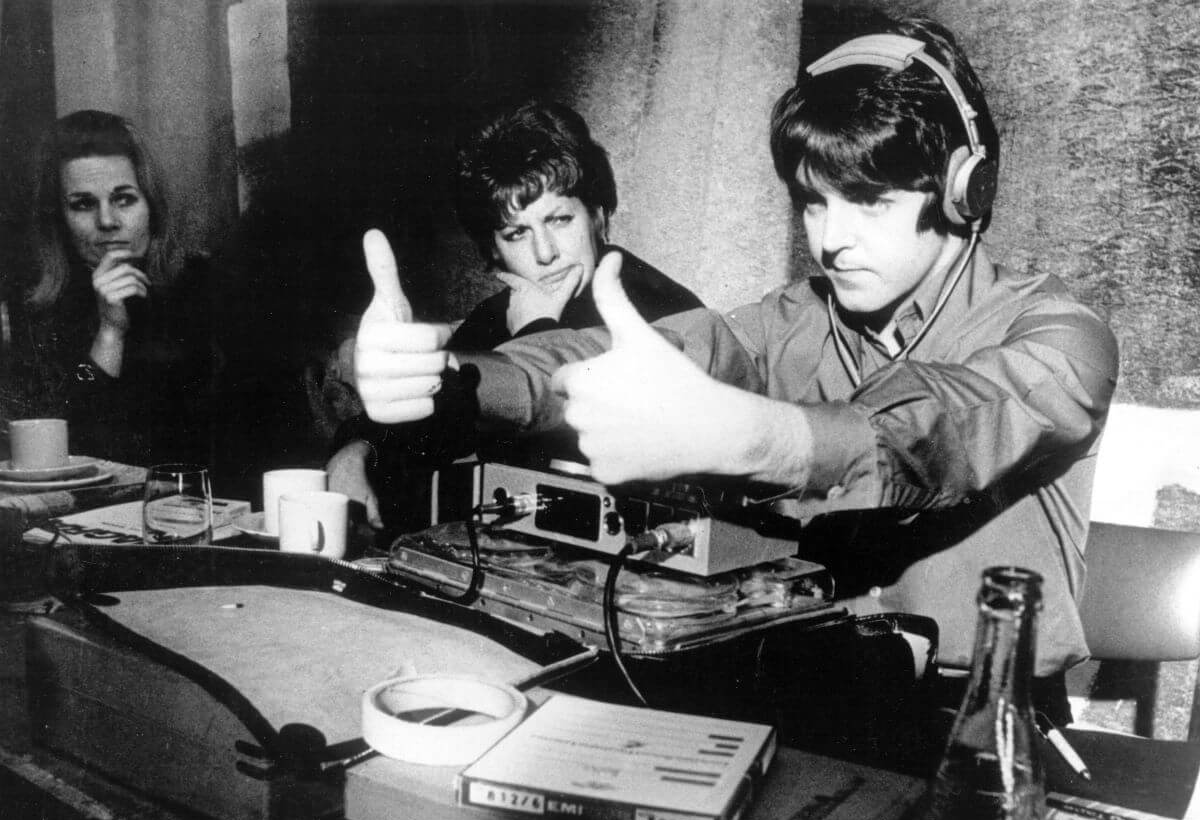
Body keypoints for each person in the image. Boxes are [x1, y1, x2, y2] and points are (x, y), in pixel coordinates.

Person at [351, 15, 1118, 724]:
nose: (831, 240)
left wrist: (756, 438)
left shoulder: (1062, 336)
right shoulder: (799, 318)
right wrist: (457, 378)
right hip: (822, 689)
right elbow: (646, 352)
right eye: (813, 204)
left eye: (868, 201)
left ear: (962, 191)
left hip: (983, 719)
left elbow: (948, 422)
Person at [325, 99, 703, 532]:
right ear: (493, 251)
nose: (545, 254)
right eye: (517, 233)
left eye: (560, 220)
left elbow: (564, 449)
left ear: (598, 217)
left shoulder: (659, 308)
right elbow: (433, 404)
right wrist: (356, 449)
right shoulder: (500, 311)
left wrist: (537, 330)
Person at [0, 110, 221, 468]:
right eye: (83, 204)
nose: (107, 221)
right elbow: (62, 445)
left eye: (123, 199)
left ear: (151, 204)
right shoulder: (37, 305)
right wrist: (109, 335)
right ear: (59, 218)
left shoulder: (203, 287)